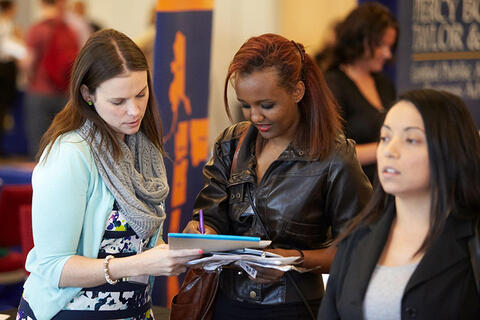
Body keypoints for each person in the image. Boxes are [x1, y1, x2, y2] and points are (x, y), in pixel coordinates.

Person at [183, 33, 372, 319]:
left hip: (293, 307)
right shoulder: (231, 144)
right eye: (246, 105)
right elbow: (209, 215)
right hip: (227, 303)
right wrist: (202, 232)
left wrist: (293, 259)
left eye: (266, 105)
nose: (255, 116)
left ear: (297, 91)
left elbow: (359, 247)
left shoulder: (334, 156)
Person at [16, 29, 202, 320]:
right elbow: (54, 267)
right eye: (118, 101)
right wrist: (140, 263)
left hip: (135, 310)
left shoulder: (141, 146)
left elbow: (130, 244)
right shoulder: (71, 153)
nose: (134, 110)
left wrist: (173, 253)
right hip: (70, 312)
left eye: (141, 94)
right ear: (87, 95)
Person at [318, 89, 480, 319]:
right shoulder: (357, 237)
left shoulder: (472, 238)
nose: (390, 151)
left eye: (411, 139)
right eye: (385, 138)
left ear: (450, 149)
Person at [324, 2, 398, 183]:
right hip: (353, 189)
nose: (387, 54)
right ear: (359, 40)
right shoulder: (333, 84)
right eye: (381, 45)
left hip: (385, 186)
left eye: (390, 46)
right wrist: (386, 148)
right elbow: (330, 153)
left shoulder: (384, 83)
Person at [22, 0, 78, 159]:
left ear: (42, 3)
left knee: (38, 144)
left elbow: (29, 63)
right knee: (63, 140)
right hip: (64, 93)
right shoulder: (69, 30)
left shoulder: (37, 29)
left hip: (39, 92)